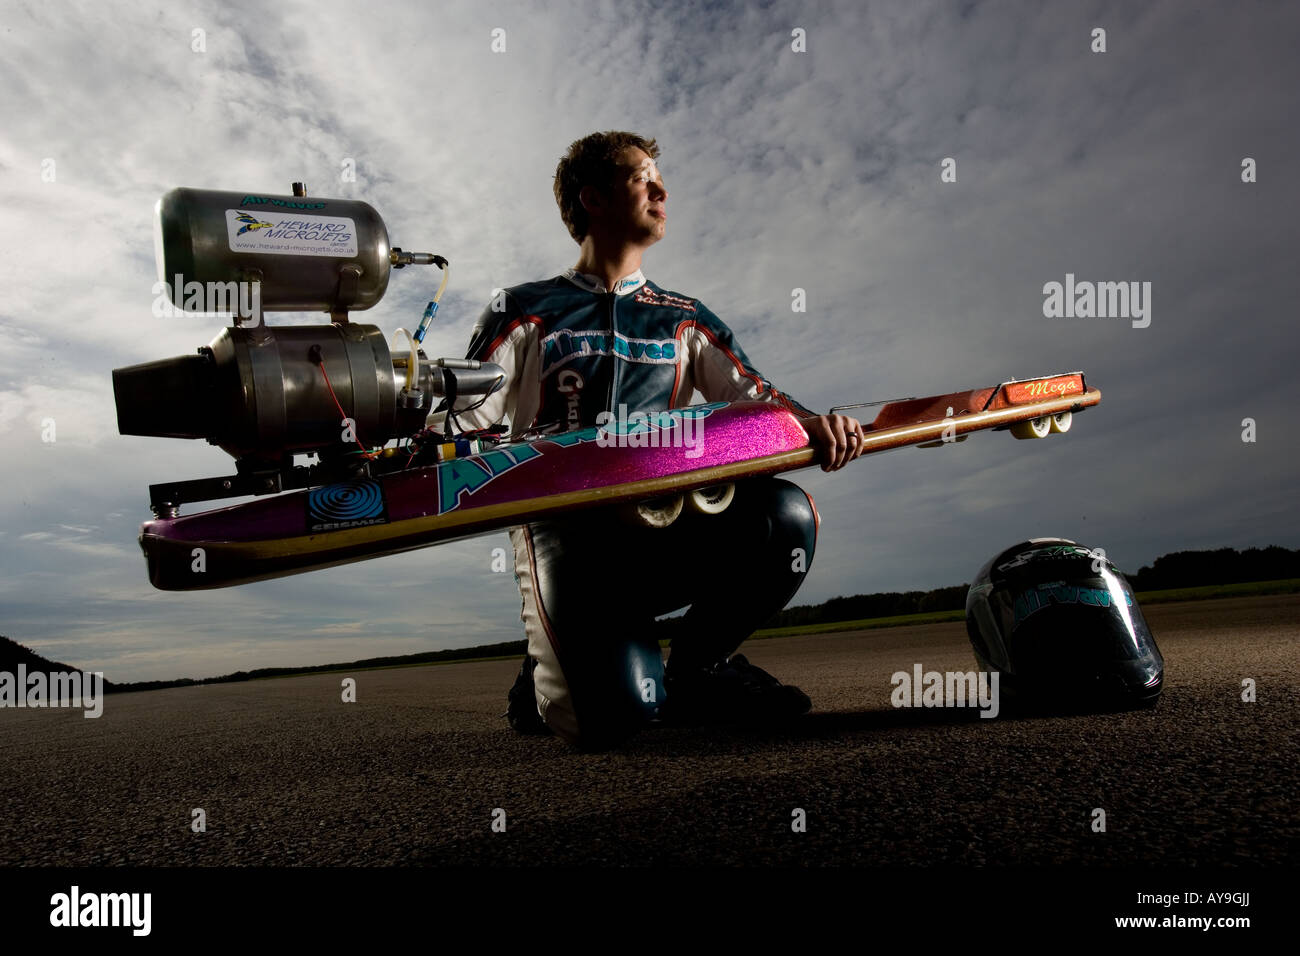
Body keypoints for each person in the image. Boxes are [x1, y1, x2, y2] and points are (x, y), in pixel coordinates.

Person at [446, 131, 865, 750]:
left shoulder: (683, 316)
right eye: (642, 177)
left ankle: (700, 670)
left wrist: (816, 423)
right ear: (592, 197)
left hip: (662, 530)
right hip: (567, 537)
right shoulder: (524, 308)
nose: (662, 189)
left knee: (786, 515)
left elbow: (757, 399)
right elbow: (462, 423)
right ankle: (550, 663)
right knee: (613, 720)